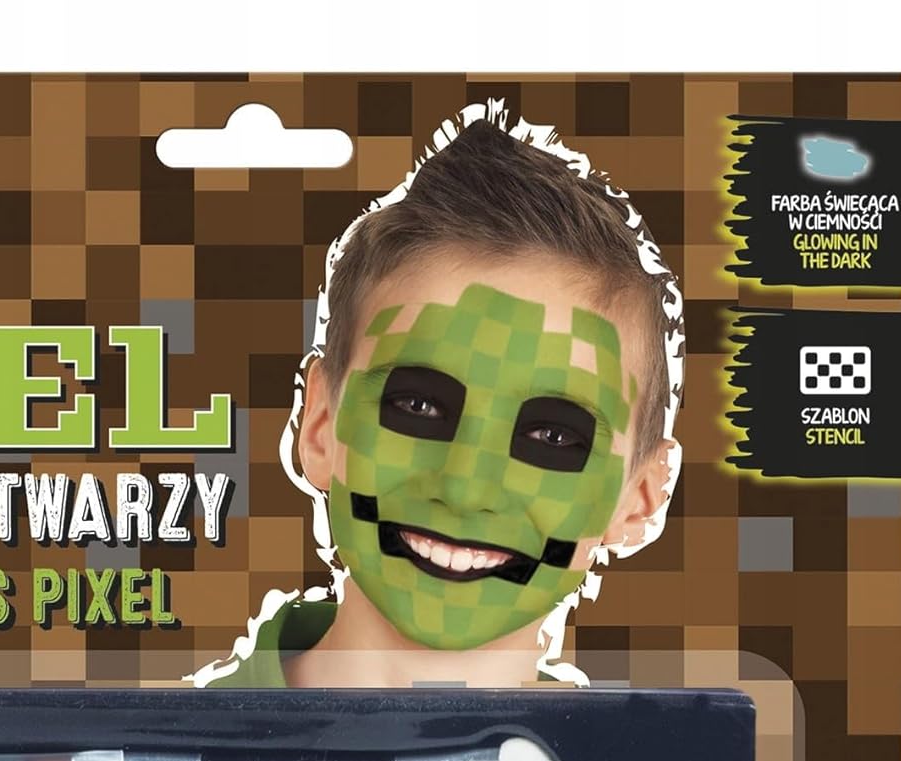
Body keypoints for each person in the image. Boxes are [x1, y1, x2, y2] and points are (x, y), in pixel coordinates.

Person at [206, 117, 680, 689]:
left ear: (641, 497)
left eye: (553, 437)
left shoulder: (664, 752)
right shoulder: (147, 743)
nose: (464, 489)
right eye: (418, 407)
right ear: (320, 426)